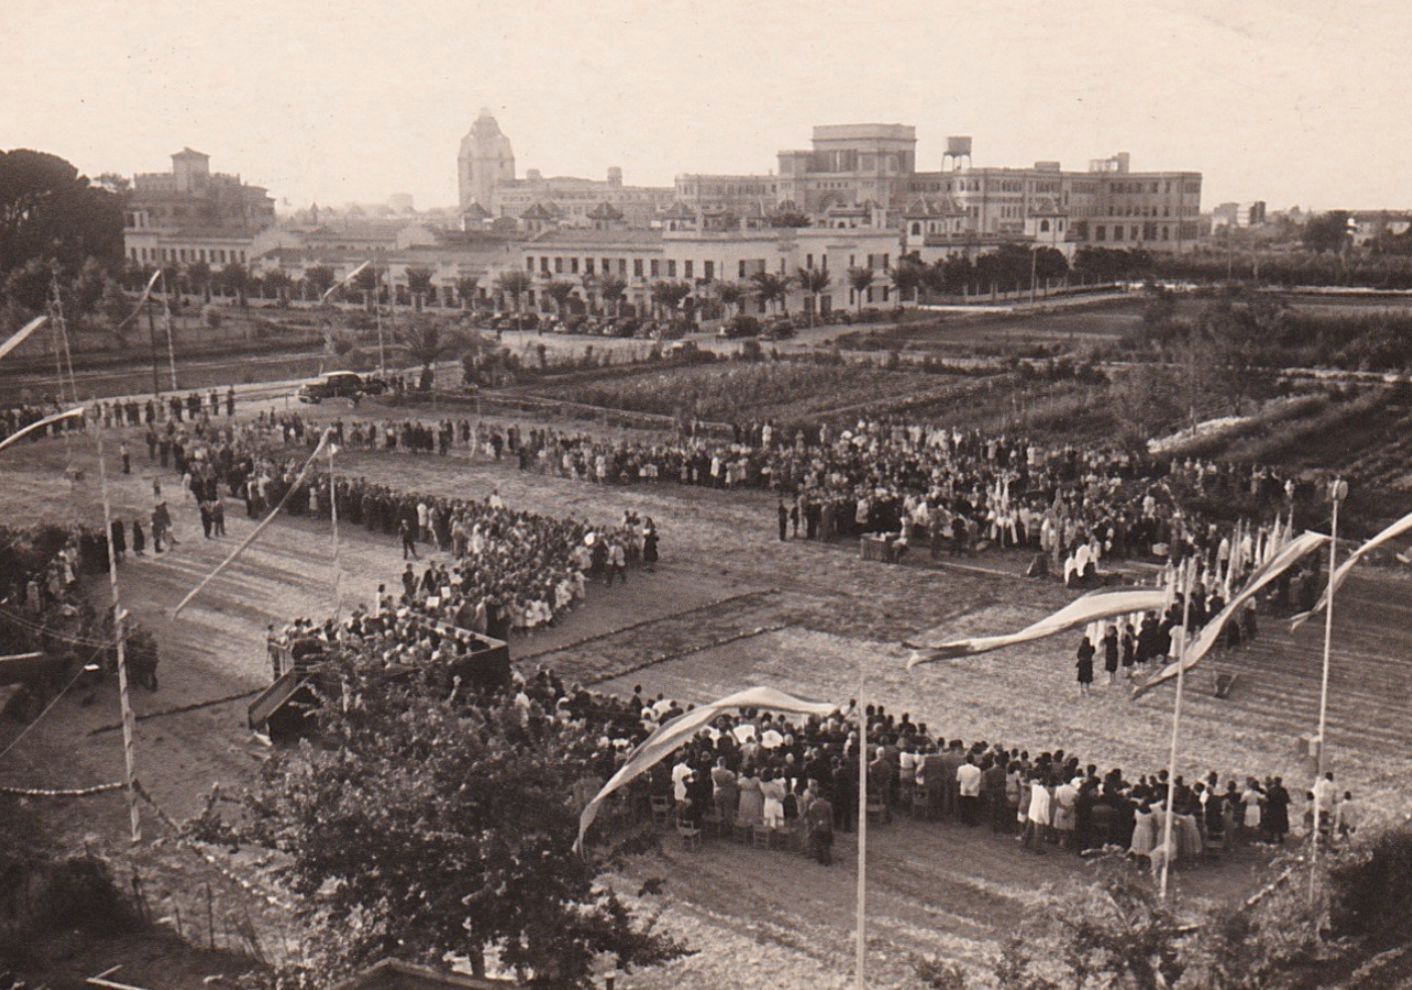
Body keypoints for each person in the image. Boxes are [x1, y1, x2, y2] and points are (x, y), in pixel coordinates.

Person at [806, 791, 834, 865]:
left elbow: (811, 816)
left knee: (818, 843)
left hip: (816, 826)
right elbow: (830, 817)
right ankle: (827, 860)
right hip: (826, 826)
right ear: (824, 796)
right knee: (826, 844)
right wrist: (831, 827)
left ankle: (820, 859)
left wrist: (816, 822)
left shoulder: (813, 805)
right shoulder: (828, 805)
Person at [957, 755, 982, 826]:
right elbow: (977, 781)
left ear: (965, 760)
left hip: (963, 790)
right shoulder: (977, 770)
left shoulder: (960, 768)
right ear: (973, 760)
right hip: (973, 791)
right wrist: (971, 789)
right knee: (972, 806)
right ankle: (972, 820)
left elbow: (958, 779)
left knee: (964, 805)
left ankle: (964, 819)